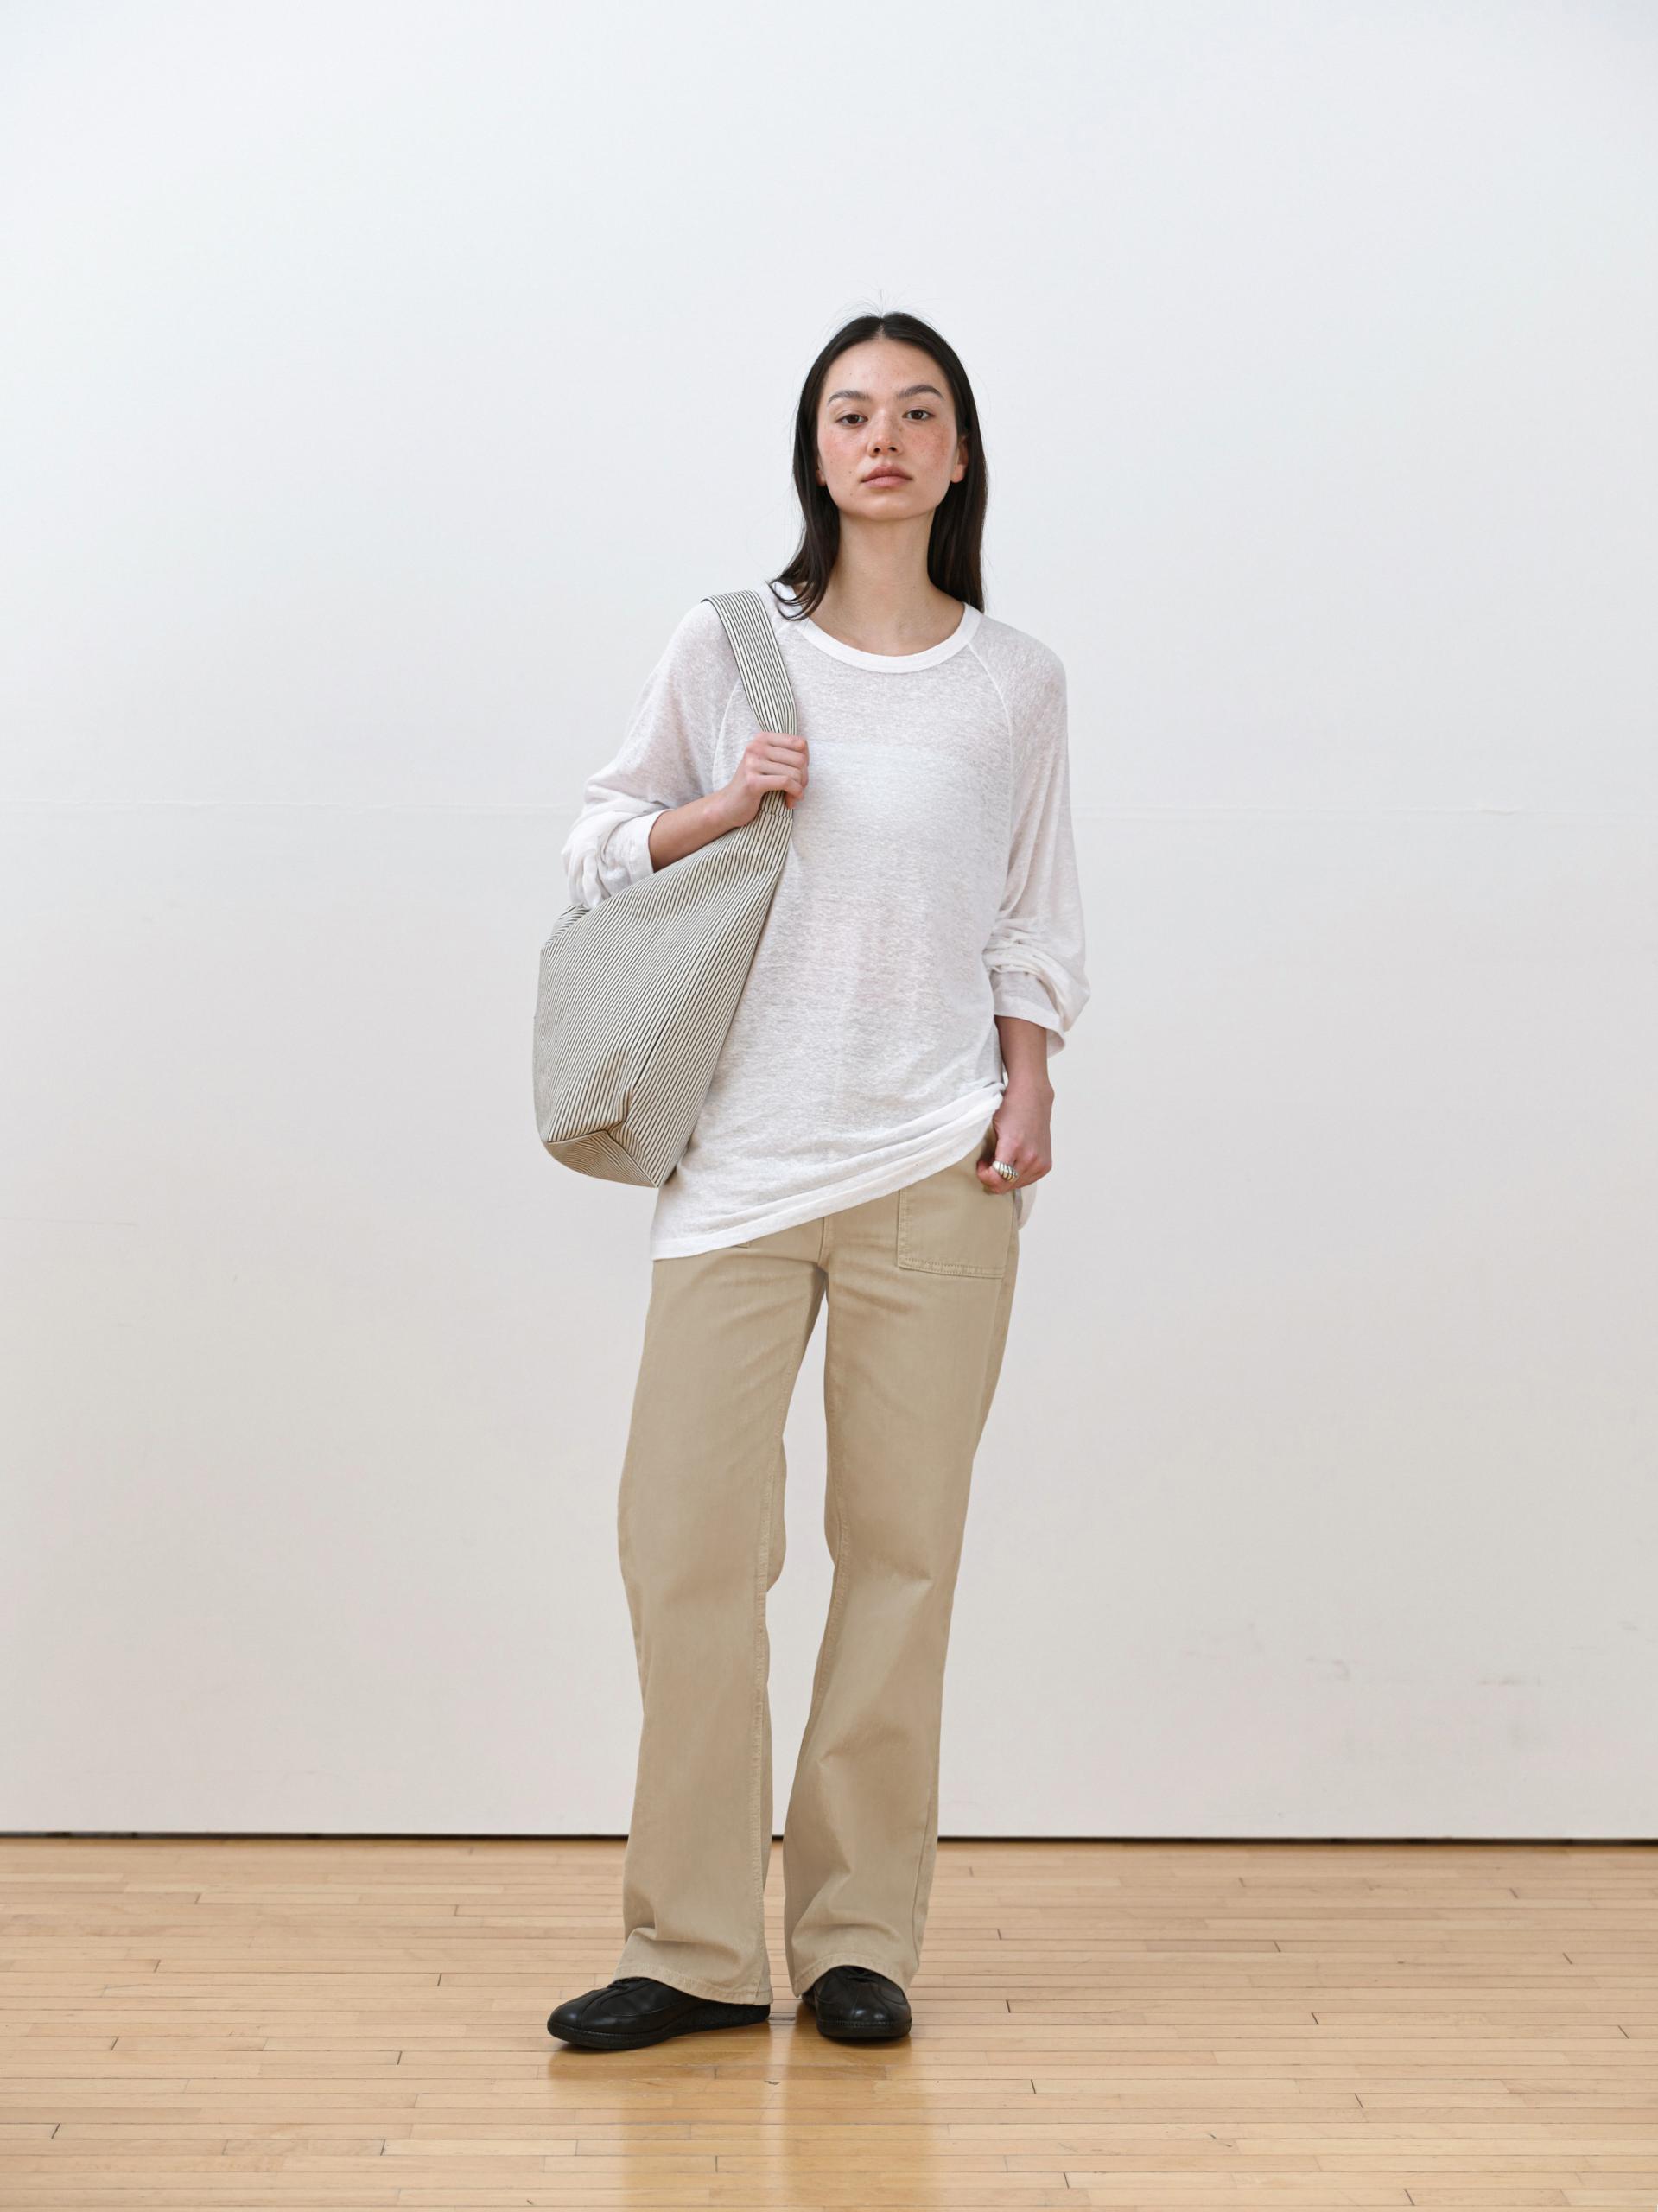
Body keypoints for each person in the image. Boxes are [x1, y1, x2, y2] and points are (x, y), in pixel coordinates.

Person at [546, 310, 1089, 2051]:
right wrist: (723, 806)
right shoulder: (730, 648)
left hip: (938, 1159)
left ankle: (859, 1935)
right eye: (852, 412)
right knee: (686, 1550)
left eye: (917, 412)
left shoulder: (1016, 681)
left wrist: (1029, 1084)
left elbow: (1031, 912)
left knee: (901, 1553)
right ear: (816, 448)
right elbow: (598, 843)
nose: (884, 438)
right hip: (740, 1166)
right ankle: (695, 1946)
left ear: (957, 452)